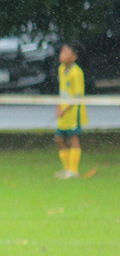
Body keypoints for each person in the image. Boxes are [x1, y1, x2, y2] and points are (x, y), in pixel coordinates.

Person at [54, 41, 88, 179]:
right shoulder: (61, 69)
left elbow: (78, 96)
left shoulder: (77, 72)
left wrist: (66, 109)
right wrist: (58, 107)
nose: (62, 55)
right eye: (62, 52)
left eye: (66, 53)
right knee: (59, 139)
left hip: (74, 112)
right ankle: (67, 168)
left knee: (74, 138)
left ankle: (73, 170)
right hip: (63, 112)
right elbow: (61, 91)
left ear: (74, 56)